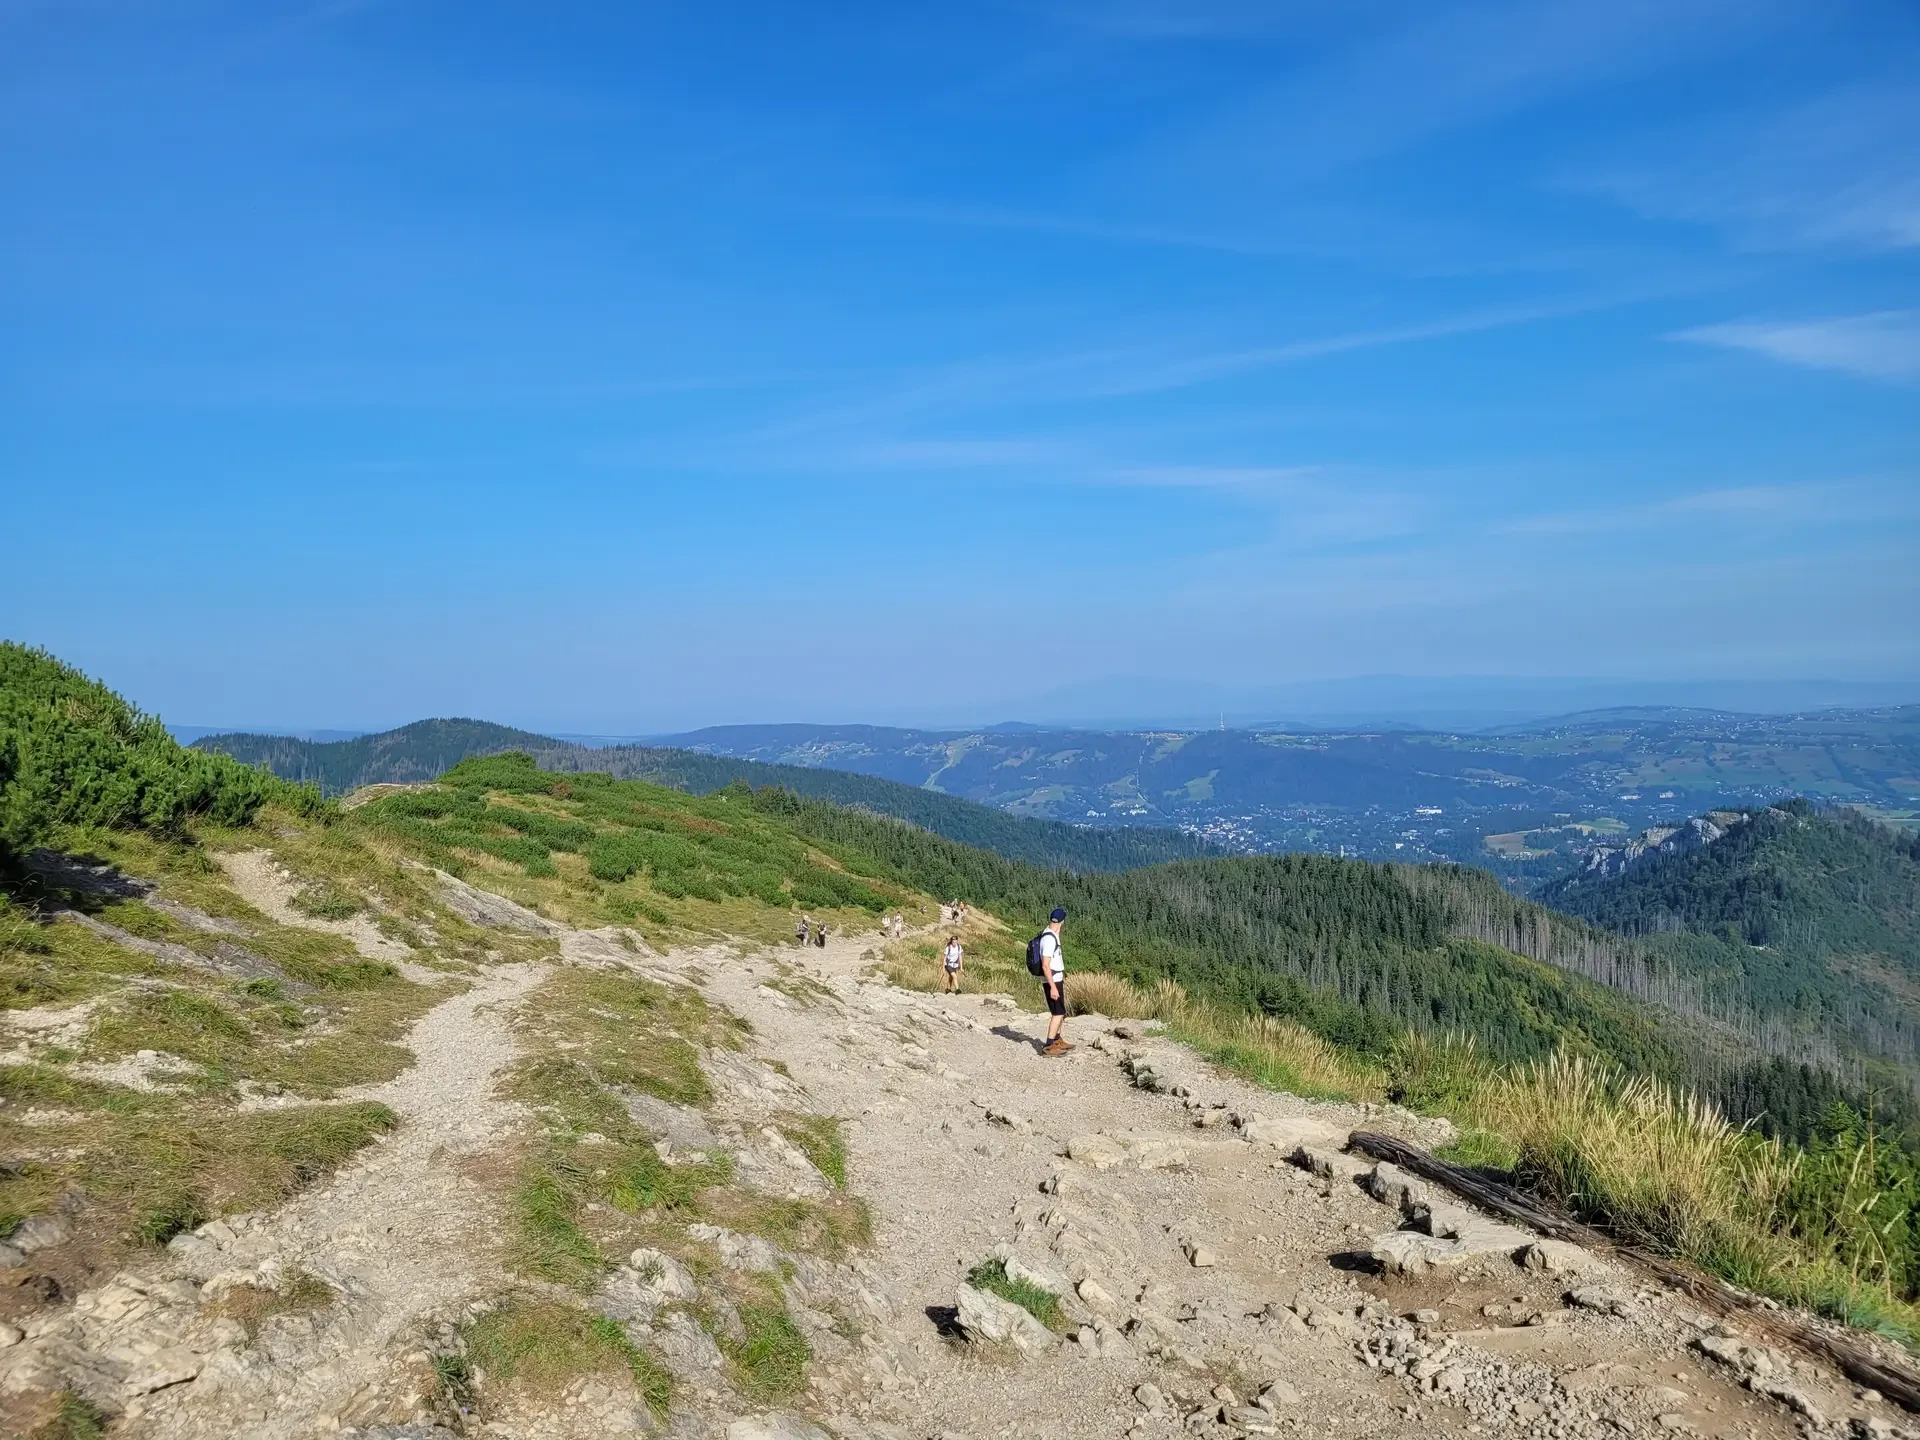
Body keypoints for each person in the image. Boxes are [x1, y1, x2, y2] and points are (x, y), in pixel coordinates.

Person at [1035, 906, 1069, 1055]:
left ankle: (1057, 1039)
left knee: (1060, 1011)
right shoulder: (1049, 939)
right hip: (1052, 980)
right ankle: (1049, 1045)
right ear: (1062, 921)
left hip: (1054, 979)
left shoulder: (1049, 935)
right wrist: (1053, 987)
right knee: (1058, 1013)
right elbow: (1045, 965)